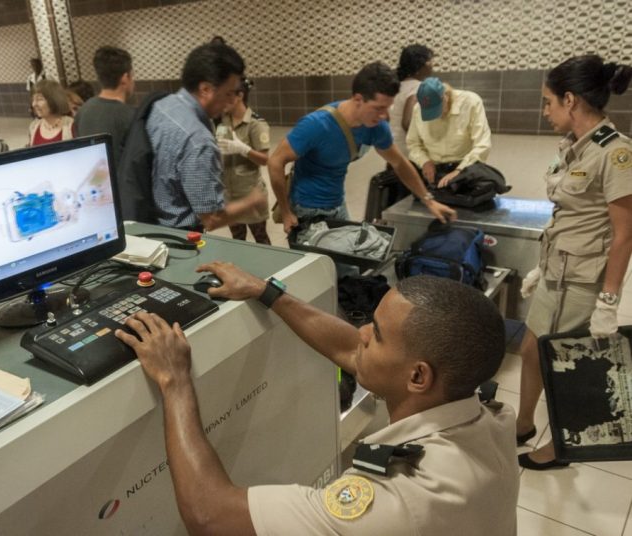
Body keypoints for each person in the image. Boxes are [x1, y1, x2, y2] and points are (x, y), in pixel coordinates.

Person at [115, 266, 518, 535]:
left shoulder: (398, 499)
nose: (359, 332)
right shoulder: (488, 419)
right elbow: (353, 351)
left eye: (375, 332)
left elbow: (209, 515)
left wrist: (174, 380)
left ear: (417, 376)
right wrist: (266, 292)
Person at [516, 55, 632, 470]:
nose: (544, 111)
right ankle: (523, 423)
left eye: (548, 102)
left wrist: (608, 301)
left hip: (582, 282)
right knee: (531, 350)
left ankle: (561, 447)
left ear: (570, 100)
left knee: (562, 365)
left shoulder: (615, 154)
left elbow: (624, 234)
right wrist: (540, 268)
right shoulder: (572, 148)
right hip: (556, 272)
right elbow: (568, 212)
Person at [268, 62, 455, 234]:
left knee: (351, 264)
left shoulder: (375, 127)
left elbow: (399, 163)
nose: (384, 115)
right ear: (358, 99)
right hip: (305, 208)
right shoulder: (316, 125)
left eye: (387, 108)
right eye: (378, 108)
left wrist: (428, 200)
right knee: (321, 268)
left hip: (337, 204)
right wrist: (285, 212)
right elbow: (276, 161)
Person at [146, 42, 267, 231]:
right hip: (178, 237)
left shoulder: (164, 105)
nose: (229, 103)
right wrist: (251, 202)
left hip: (151, 221)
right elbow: (210, 218)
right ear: (205, 89)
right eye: (228, 93)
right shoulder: (198, 140)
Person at [406, 77, 492, 188]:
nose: (434, 117)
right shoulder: (418, 109)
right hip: (433, 169)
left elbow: (482, 145)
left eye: (436, 110)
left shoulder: (471, 103)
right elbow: (413, 143)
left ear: (445, 97)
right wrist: (425, 162)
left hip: (464, 169)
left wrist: (459, 170)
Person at [217, 77, 271, 244]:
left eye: (228, 95)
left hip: (251, 195)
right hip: (230, 195)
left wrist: (244, 149)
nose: (223, 100)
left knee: (261, 240)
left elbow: (265, 160)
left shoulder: (255, 124)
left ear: (239, 95)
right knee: (237, 240)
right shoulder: (223, 121)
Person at [74, 46, 136, 167]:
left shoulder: (83, 111)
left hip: (95, 182)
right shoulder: (131, 116)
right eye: (132, 76)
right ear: (125, 78)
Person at [390, 44, 434, 158]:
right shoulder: (419, 88)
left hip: (394, 148)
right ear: (421, 64)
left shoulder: (398, 87)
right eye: (430, 60)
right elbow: (407, 123)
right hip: (410, 152)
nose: (432, 64)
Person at [28, 80, 74, 146]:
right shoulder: (34, 126)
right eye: (33, 100)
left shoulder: (70, 125)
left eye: (39, 99)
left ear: (54, 100)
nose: (34, 104)